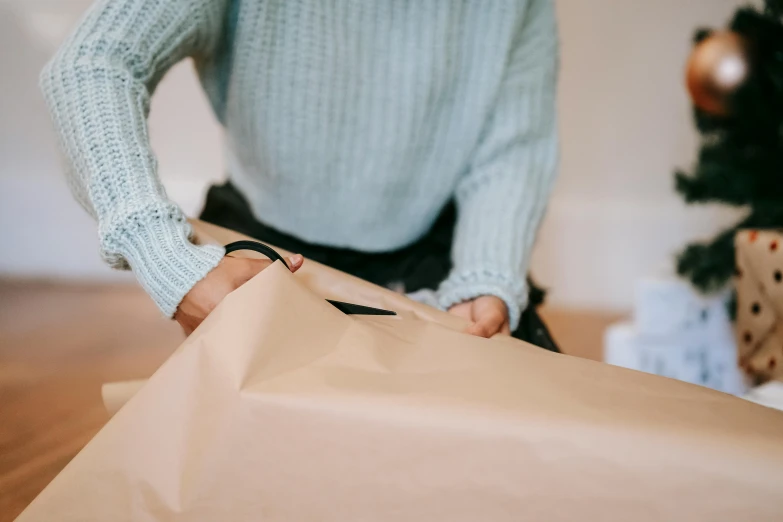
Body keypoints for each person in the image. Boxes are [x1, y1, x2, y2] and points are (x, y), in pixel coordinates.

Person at [41, 0, 559, 342]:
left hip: (438, 253)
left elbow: (512, 147)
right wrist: (164, 258)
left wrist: (487, 275)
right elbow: (93, 64)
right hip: (266, 245)